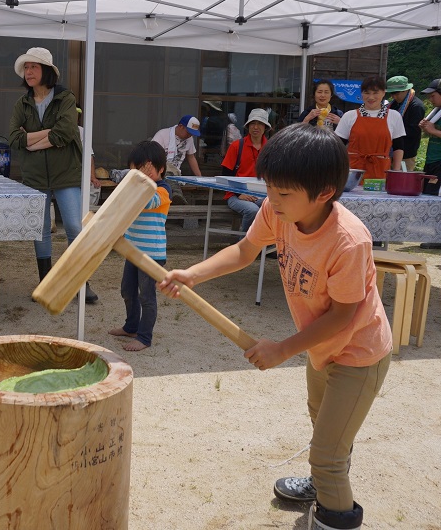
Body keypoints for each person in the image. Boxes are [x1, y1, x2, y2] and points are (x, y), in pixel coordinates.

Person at [159, 124, 392, 530]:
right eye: (269, 188)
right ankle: (324, 480)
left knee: (327, 453)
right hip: (322, 344)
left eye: (283, 193)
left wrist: (283, 349)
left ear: (323, 193)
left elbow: (344, 315)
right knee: (323, 423)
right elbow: (245, 249)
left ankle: (334, 514)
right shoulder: (278, 211)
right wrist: (193, 274)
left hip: (358, 352)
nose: (272, 200)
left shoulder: (348, 241)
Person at [9, 47, 97, 303]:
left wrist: (31, 140)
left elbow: (66, 134)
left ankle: (81, 283)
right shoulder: (22, 103)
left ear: (47, 70)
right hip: (35, 176)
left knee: (73, 226)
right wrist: (42, 135)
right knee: (41, 229)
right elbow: (14, 139)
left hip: (66, 173)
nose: (29, 72)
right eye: (26, 67)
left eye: (34, 67)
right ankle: (46, 284)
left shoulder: (65, 98)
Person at [108, 141, 171, 352]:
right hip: (132, 250)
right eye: (136, 170)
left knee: (146, 296)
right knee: (127, 290)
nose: (141, 175)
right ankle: (131, 327)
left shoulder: (163, 190)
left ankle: (144, 337)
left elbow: (146, 201)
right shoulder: (136, 188)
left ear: (161, 168)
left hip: (152, 254)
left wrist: (135, 182)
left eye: (146, 169)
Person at [333, 75, 405, 181]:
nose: (371, 97)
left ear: (383, 93)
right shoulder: (349, 116)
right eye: (367, 93)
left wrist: (396, 172)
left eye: (375, 93)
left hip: (381, 171)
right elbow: (337, 146)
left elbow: (399, 146)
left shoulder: (394, 116)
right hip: (353, 172)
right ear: (361, 94)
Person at [221, 108, 269, 233]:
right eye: (253, 123)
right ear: (248, 126)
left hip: (262, 194)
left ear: (266, 127)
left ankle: (269, 246)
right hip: (235, 194)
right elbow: (225, 175)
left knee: (275, 208)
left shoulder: (270, 148)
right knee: (252, 210)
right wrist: (238, 193)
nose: (256, 127)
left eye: (260, 123)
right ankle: (244, 247)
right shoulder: (236, 146)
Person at [152, 115, 202, 205]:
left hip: (176, 173)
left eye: (192, 133)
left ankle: (176, 197)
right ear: (181, 126)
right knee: (167, 174)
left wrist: (200, 177)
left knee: (171, 176)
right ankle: (176, 195)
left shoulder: (189, 139)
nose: (190, 135)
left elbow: (191, 157)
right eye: (188, 132)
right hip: (159, 169)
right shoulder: (162, 134)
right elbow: (151, 155)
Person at [417, 78, 441, 248]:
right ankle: (434, 236)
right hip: (432, 158)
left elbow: (434, 131)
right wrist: (426, 129)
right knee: (431, 196)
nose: (430, 100)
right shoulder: (436, 111)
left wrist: (433, 130)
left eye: (433, 96)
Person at [387, 75, 424, 171]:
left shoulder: (416, 106)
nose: (393, 96)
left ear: (405, 90)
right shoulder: (393, 104)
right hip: (390, 152)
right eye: (391, 93)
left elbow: (413, 131)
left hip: (406, 154)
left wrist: (392, 131)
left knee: (401, 182)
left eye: (396, 93)